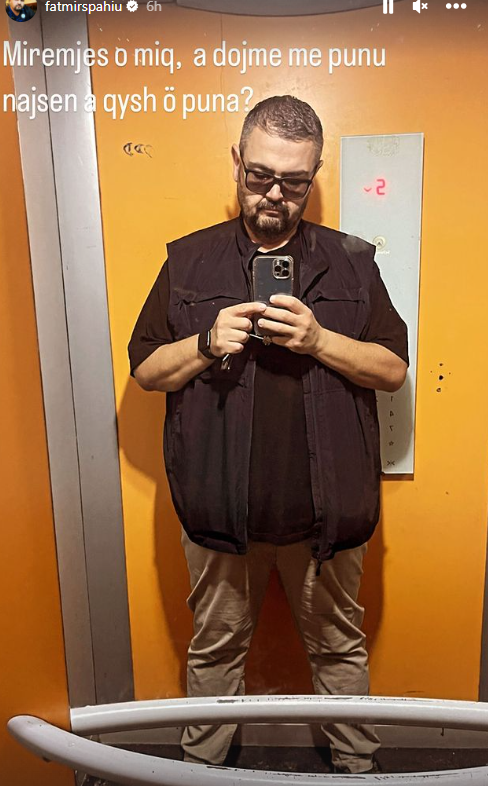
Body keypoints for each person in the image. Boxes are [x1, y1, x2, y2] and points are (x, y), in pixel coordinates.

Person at [128, 95, 409, 775]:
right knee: (215, 654)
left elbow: (393, 369)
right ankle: (199, 773)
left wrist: (319, 339)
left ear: (315, 175)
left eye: (294, 181)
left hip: (327, 518)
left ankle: (358, 772)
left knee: (340, 652)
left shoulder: (352, 261)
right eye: (259, 176)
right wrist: (204, 340)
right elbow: (145, 370)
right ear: (237, 162)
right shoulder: (188, 261)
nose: (275, 195)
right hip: (221, 515)